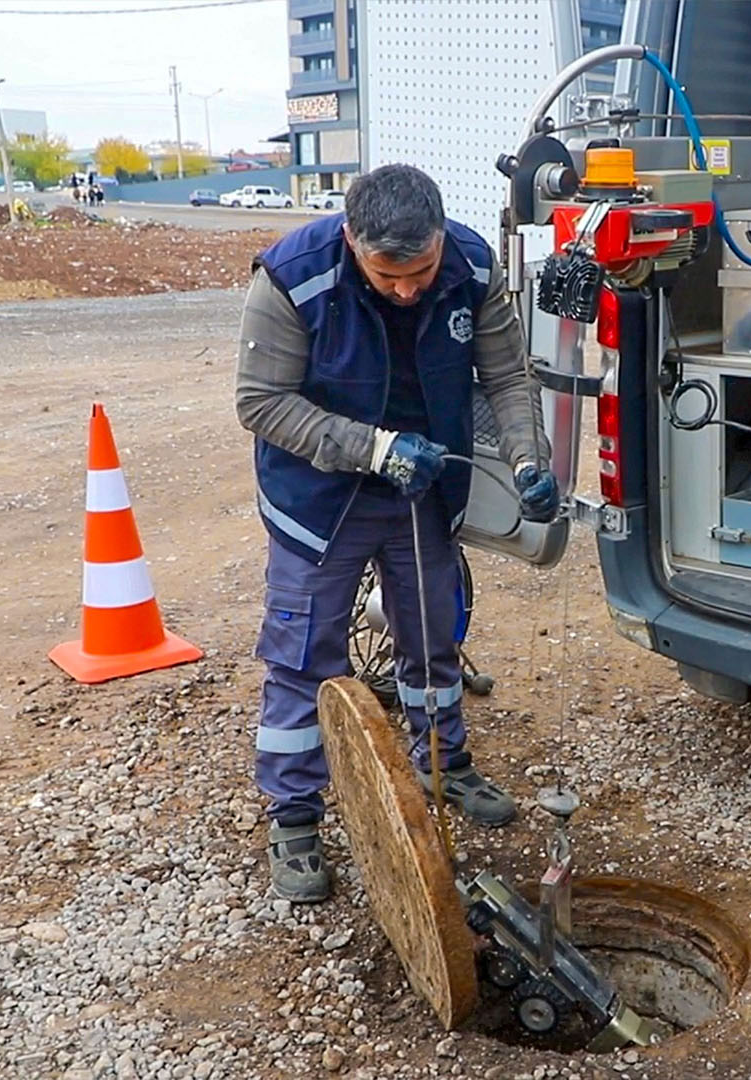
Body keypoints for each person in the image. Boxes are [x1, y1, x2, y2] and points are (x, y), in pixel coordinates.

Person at [235, 163, 559, 903]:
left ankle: (442, 764)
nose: (409, 289)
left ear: (442, 237)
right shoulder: (293, 279)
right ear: (352, 241)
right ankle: (294, 817)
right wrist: (375, 449)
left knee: (432, 635)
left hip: (424, 494)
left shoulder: (474, 268)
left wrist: (528, 459)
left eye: (421, 270)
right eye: (388, 274)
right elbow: (261, 403)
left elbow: (507, 378)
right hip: (319, 501)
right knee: (304, 654)